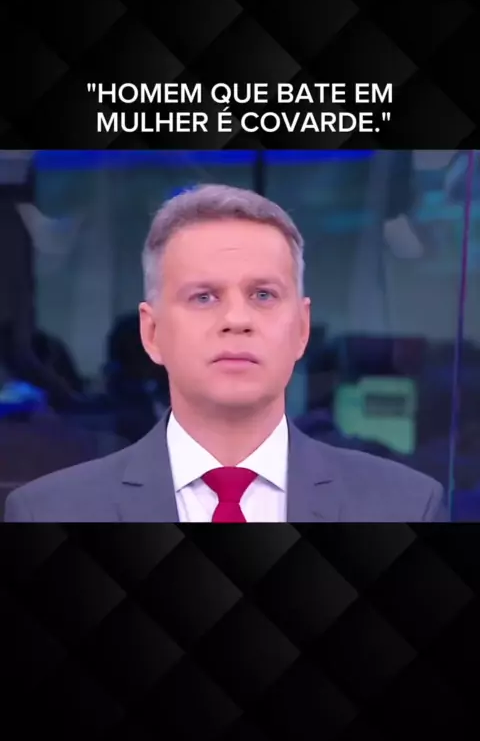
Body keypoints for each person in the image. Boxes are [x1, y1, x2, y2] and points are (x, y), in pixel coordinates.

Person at [4, 184, 447, 522]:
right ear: (152, 333)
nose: (237, 319)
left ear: (301, 328)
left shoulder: (406, 506)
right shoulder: (48, 512)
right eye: (204, 297)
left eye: (263, 295)